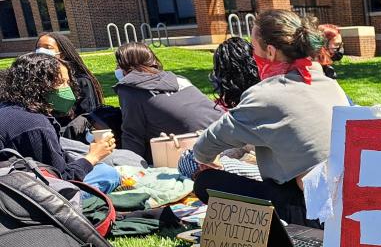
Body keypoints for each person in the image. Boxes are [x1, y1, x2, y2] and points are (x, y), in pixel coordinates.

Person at [191, 9, 351, 225]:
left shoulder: (265, 95)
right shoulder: (330, 84)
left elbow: (203, 147)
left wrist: (210, 162)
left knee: (206, 181)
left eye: (253, 48)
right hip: (346, 203)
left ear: (270, 51)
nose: (252, 55)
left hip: (313, 212)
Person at [0, 53, 119, 192]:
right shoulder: (36, 124)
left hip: (14, 185)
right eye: (60, 83)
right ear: (38, 86)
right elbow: (61, 180)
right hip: (30, 196)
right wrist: (93, 157)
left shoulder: (9, 108)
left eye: (67, 82)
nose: (67, 89)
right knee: (108, 174)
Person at [114, 42, 222, 164]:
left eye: (118, 64)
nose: (116, 69)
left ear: (125, 66)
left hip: (196, 150)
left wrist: (128, 169)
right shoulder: (177, 78)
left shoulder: (129, 89)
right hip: (225, 134)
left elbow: (132, 134)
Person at [177, 37, 261, 181]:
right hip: (253, 162)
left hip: (274, 174)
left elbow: (269, 166)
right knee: (189, 160)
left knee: (205, 176)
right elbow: (244, 146)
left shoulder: (256, 104)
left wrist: (222, 164)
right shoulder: (248, 103)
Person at [34, 32, 108, 139]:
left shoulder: (81, 80)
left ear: (62, 53)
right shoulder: (33, 80)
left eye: (48, 47)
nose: (41, 51)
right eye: (38, 47)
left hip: (72, 137)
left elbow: (90, 114)